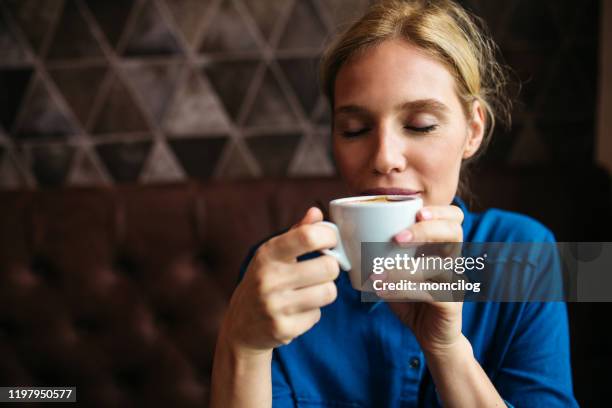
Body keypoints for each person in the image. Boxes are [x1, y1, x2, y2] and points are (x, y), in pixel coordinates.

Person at [210, 0, 577, 406]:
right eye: (355, 129)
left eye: (420, 125)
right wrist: (241, 346)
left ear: (472, 130)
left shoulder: (527, 257)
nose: (384, 157)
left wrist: (448, 348)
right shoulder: (280, 276)